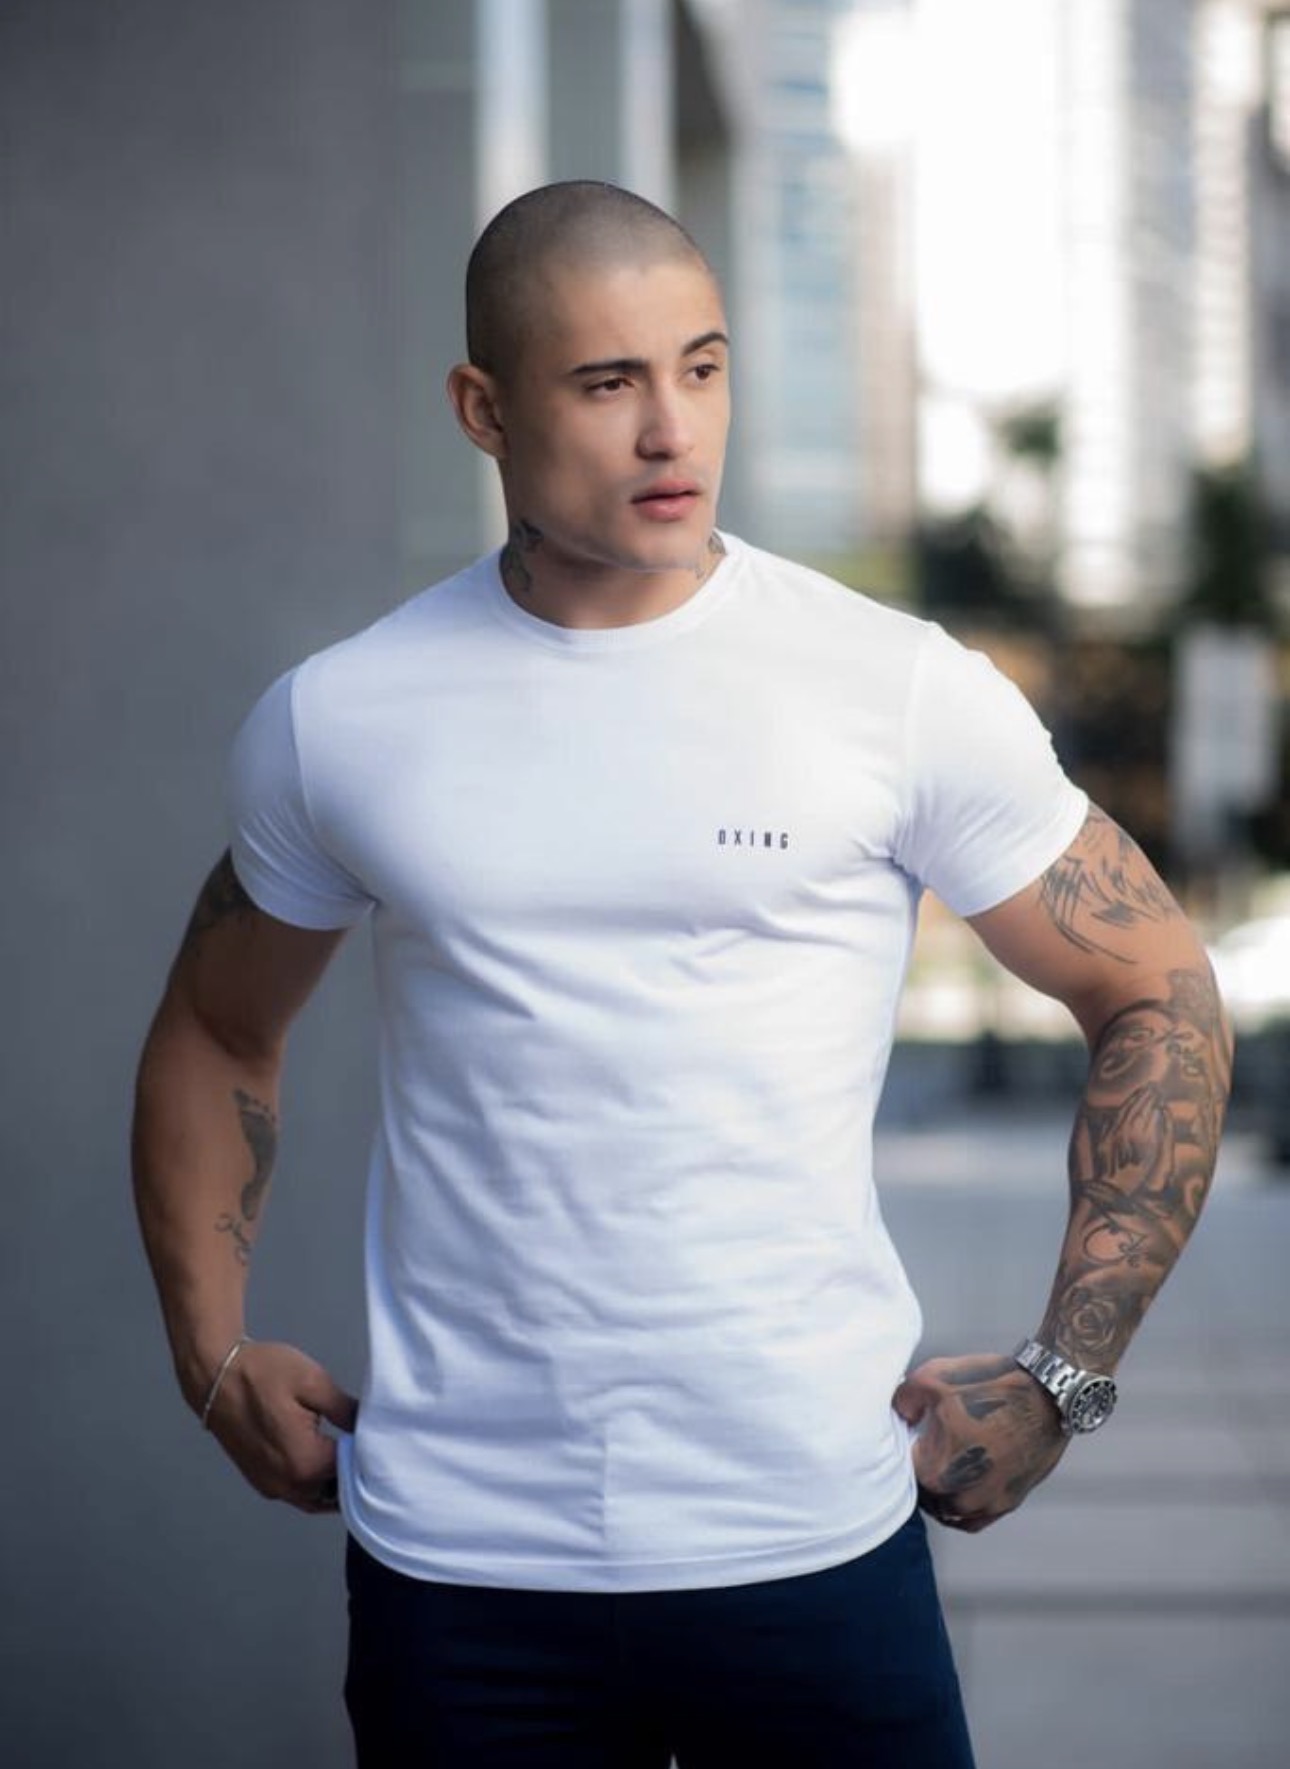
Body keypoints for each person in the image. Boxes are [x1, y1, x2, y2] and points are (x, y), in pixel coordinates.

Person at [132, 181, 1233, 1768]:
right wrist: (210, 1349)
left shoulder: (890, 688)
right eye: (607, 383)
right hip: (462, 1567)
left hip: (814, 1540)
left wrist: (1065, 1376)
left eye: (701, 368)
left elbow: (1156, 988)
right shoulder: (345, 718)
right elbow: (215, 1029)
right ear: (482, 409)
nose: (671, 429)